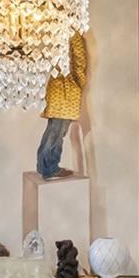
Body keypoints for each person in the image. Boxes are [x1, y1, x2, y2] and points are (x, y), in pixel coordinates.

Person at [36, 31, 88, 180]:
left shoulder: (56, 33)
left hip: (56, 88)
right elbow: (79, 62)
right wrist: (80, 83)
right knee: (57, 132)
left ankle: (43, 165)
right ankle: (49, 168)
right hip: (66, 91)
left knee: (53, 129)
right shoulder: (74, 35)